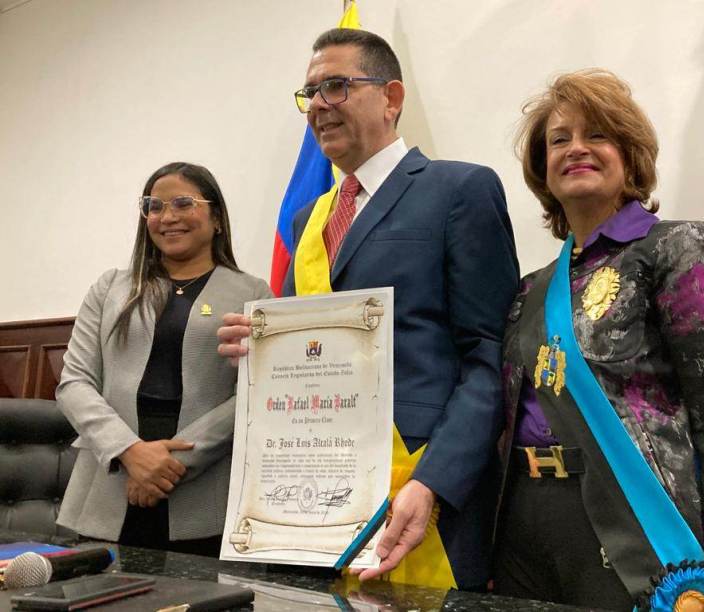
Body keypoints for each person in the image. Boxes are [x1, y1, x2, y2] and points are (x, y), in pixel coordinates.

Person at [218, 28, 519, 589]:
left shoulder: (460, 189)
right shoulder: (309, 219)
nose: (318, 106)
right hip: (317, 492)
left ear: (391, 97)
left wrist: (434, 481)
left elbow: (491, 357)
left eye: (336, 86)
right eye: (310, 93)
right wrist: (263, 351)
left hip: (421, 491)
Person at [495, 69, 704, 611]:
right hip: (523, 531)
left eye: (597, 134)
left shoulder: (680, 248)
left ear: (630, 157)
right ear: (543, 169)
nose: (576, 148)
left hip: (630, 533)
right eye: (559, 140)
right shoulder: (531, 290)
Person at [57, 162, 271, 556]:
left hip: (204, 490)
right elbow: (74, 383)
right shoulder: (110, 288)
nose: (167, 217)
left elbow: (257, 393)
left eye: (183, 203)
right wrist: (130, 452)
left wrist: (168, 464)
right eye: (154, 206)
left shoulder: (253, 293)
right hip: (109, 484)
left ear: (217, 218)